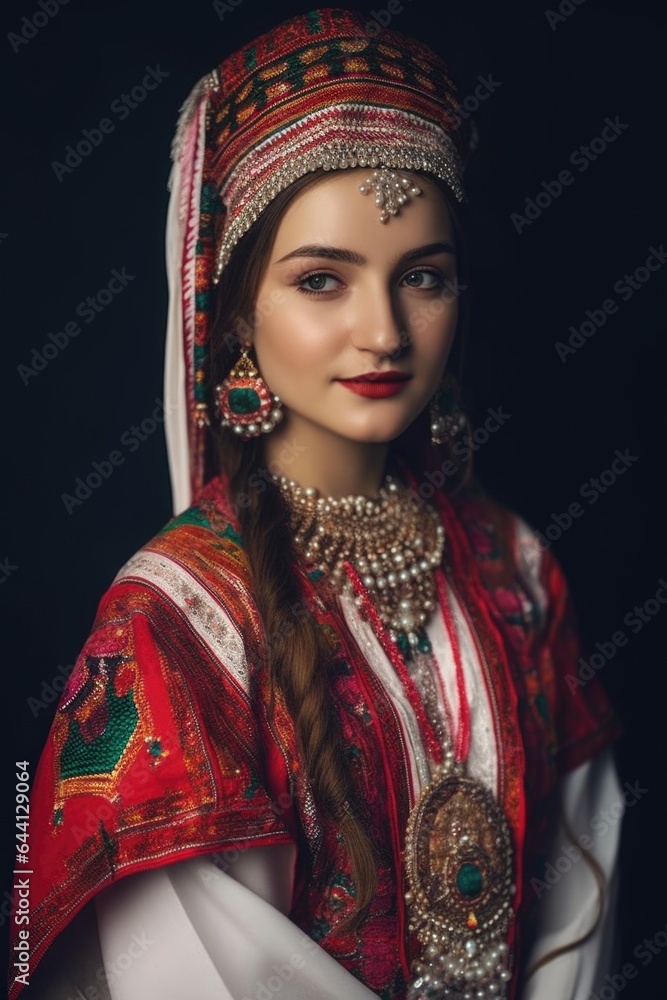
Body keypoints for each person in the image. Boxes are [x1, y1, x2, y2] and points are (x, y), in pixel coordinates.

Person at [10, 8, 623, 999]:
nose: (382, 331)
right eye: (322, 281)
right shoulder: (178, 620)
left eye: (422, 276)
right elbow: (179, 964)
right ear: (242, 310)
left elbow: (580, 886)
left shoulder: (513, 566)